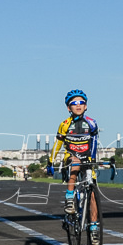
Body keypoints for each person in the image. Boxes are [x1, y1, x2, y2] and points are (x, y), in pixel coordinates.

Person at [48, 90, 100, 233]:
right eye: (74, 103)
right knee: (75, 162)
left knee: (93, 196)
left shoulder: (91, 123)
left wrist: (93, 158)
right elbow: (58, 144)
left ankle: (94, 225)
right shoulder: (64, 124)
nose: (78, 106)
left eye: (81, 103)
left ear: (86, 106)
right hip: (70, 156)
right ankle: (69, 197)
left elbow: (94, 141)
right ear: (68, 108)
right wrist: (51, 161)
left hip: (87, 157)